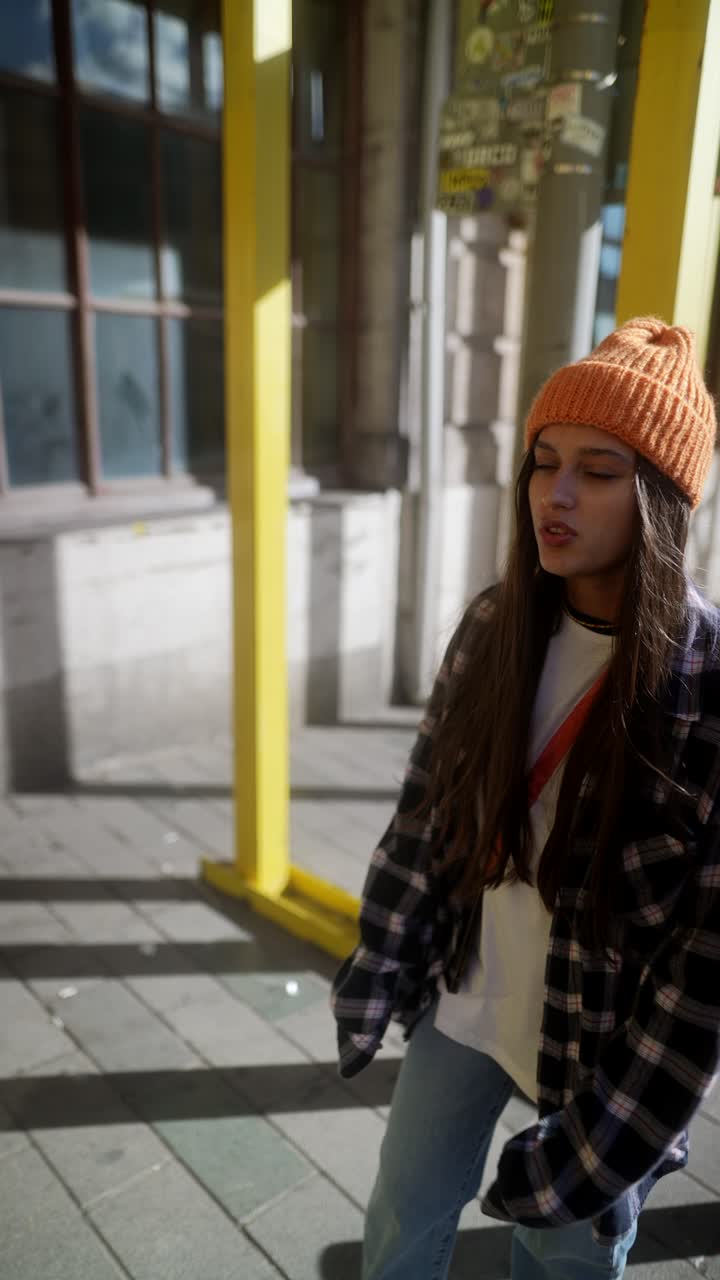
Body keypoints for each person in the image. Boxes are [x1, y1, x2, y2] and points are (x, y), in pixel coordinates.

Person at [331, 317, 720, 1280]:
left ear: (662, 496)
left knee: (562, 1262)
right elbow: (424, 814)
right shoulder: (496, 626)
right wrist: (380, 963)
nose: (556, 493)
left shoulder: (705, 681)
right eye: (544, 462)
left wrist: (613, 1135)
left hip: (601, 1054)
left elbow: (703, 967)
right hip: (464, 1001)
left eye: (599, 470)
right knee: (399, 1223)